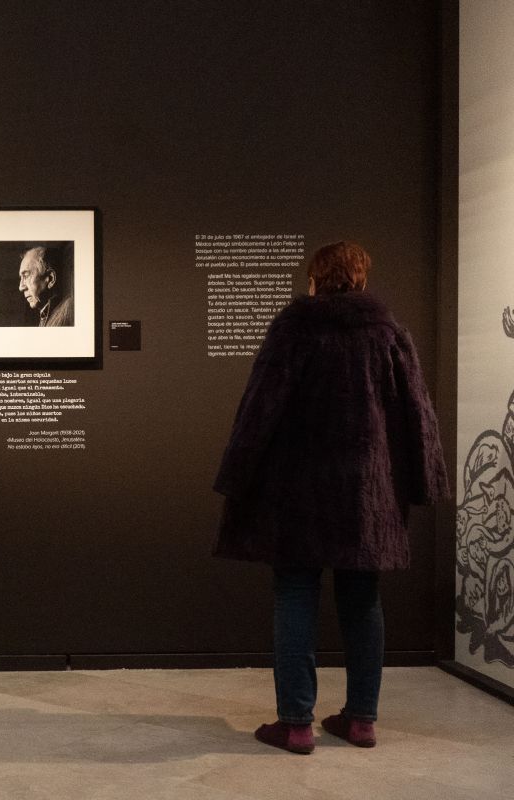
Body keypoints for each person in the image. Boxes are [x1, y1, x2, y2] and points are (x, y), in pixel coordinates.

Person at [213, 241, 449, 755]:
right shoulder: (388, 334)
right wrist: (425, 482)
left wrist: (235, 475)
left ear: (315, 280)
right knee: (362, 598)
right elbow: (418, 415)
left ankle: (296, 724)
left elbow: (259, 408)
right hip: (368, 495)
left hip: (297, 493)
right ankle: (362, 720)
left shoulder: (295, 328)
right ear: (362, 280)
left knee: (295, 593)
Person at [17, 245, 73, 327]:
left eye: (26, 276)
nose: (21, 287)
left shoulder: (70, 312)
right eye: (21, 278)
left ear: (50, 278)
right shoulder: (46, 314)